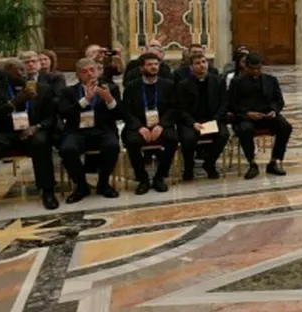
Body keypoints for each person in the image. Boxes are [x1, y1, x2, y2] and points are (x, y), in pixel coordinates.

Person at [0, 59, 60, 222]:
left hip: (29, 130)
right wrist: (14, 102)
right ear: (6, 72)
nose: (22, 73)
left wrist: (36, 127)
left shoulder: (42, 89)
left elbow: (50, 117)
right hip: (0, 132)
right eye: (17, 70)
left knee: (41, 142)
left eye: (23, 69)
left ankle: (48, 191)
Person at [58, 57, 122, 202]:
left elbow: (120, 114)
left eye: (92, 70)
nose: (89, 74)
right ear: (78, 75)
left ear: (98, 71)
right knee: (67, 149)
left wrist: (109, 100)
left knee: (112, 146)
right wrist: (85, 100)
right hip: (77, 131)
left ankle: (103, 184)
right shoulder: (68, 92)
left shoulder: (111, 88)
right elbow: (64, 114)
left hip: (103, 130)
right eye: (84, 71)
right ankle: (81, 186)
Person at [121, 52, 180, 194]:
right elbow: (126, 112)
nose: (154, 67)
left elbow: (174, 108)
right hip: (139, 126)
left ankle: (160, 177)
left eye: (156, 64)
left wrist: (161, 125)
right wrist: (140, 127)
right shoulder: (131, 87)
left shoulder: (168, 85)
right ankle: (143, 179)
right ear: (141, 68)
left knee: (173, 139)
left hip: (161, 124)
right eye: (149, 64)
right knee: (132, 141)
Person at [228, 53, 291, 179]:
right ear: (246, 67)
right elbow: (232, 104)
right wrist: (247, 113)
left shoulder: (271, 80)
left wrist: (274, 111)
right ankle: (252, 163)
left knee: (285, 127)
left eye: (259, 68)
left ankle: (273, 161)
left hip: (267, 116)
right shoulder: (237, 82)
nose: (256, 71)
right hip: (247, 117)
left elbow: (279, 101)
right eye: (253, 69)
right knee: (245, 130)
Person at [176, 52, 229, 180]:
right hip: (192, 121)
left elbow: (224, 103)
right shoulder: (183, 85)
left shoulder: (218, 81)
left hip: (213, 119)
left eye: (204, 62)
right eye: (198, 63)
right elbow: (180, 109)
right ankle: (189, 167)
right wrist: (193, 123)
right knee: (188, 138)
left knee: (223, 134)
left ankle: (209, 163)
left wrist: (215, 120)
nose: (202, 65)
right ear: (191, 67)